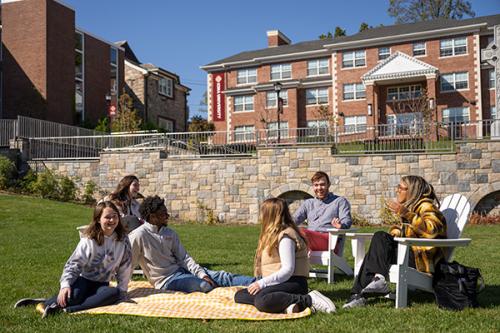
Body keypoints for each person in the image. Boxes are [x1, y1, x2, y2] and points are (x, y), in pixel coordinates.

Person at [343, 175, 447, 309]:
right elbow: (403, 230)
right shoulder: (413, 207)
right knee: (380, 238)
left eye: (401, 188)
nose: (397, 190)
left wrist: (406, 214)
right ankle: (372, 284)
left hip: (421, 260)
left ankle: (359, 293)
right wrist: (393, 235)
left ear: (412, 191)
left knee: (380, 240)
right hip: (410, 253)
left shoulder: (426, 206)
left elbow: (433, 230)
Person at [14, 201, 132, 318]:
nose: (112, 220)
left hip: (102, 284)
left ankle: (68, 309)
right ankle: (44, 304)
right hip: (83, 280)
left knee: (114, 293)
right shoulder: (89, 240)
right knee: (73, 297)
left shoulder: (123, 239)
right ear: (98, 219)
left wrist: (122, 289)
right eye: (107, 217)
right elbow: (74, 264)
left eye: (115, 216)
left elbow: (125, 265)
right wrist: (65, 285)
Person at [129, 195, 256, 293]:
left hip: (183, 270)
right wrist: (122, 289)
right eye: (163, 214)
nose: (167, 216)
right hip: (167, 281)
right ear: (152, 217)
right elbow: (129, 263)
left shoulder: (170, 233)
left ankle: (261, 282)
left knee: (222, 276)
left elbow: (184, 258)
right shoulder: (139, 235)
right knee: (202, 285)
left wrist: (203, 274)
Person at [234, 198, 336, 314]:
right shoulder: (272, 235)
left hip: (293, 282)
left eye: (263, 213)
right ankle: (287, 305)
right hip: (279, 282)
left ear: (270, 215)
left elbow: (288, 270)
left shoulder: (286, 236)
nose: (261, 217)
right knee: (240, 295)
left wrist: (261, 284)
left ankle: (309, 299)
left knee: (262, 301)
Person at [293, 171, 352, 251]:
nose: (319, 188)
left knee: (301, 232)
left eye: (322, 184)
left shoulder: (339, 201)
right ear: (313, 186)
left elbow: (346, 220)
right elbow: (293, 220)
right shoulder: (308, 203)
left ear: (328, 185)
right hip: (310, 239)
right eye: (316, 185)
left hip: (329, 241)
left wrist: (341, 226)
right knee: (289, 232)